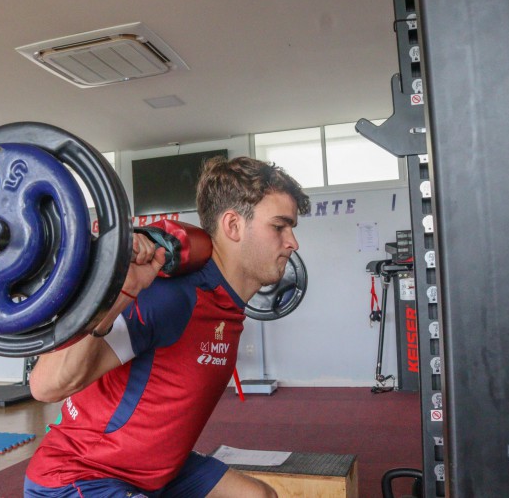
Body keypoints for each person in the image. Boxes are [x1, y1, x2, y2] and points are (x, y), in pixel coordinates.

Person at [24, 156, 311, 498]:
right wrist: (120, 293)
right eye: (279, 227)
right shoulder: (174, 297)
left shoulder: (225, 302)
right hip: (82, 473)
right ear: (233, 226)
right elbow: (45, 386)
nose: (292, 242)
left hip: (156, 470)